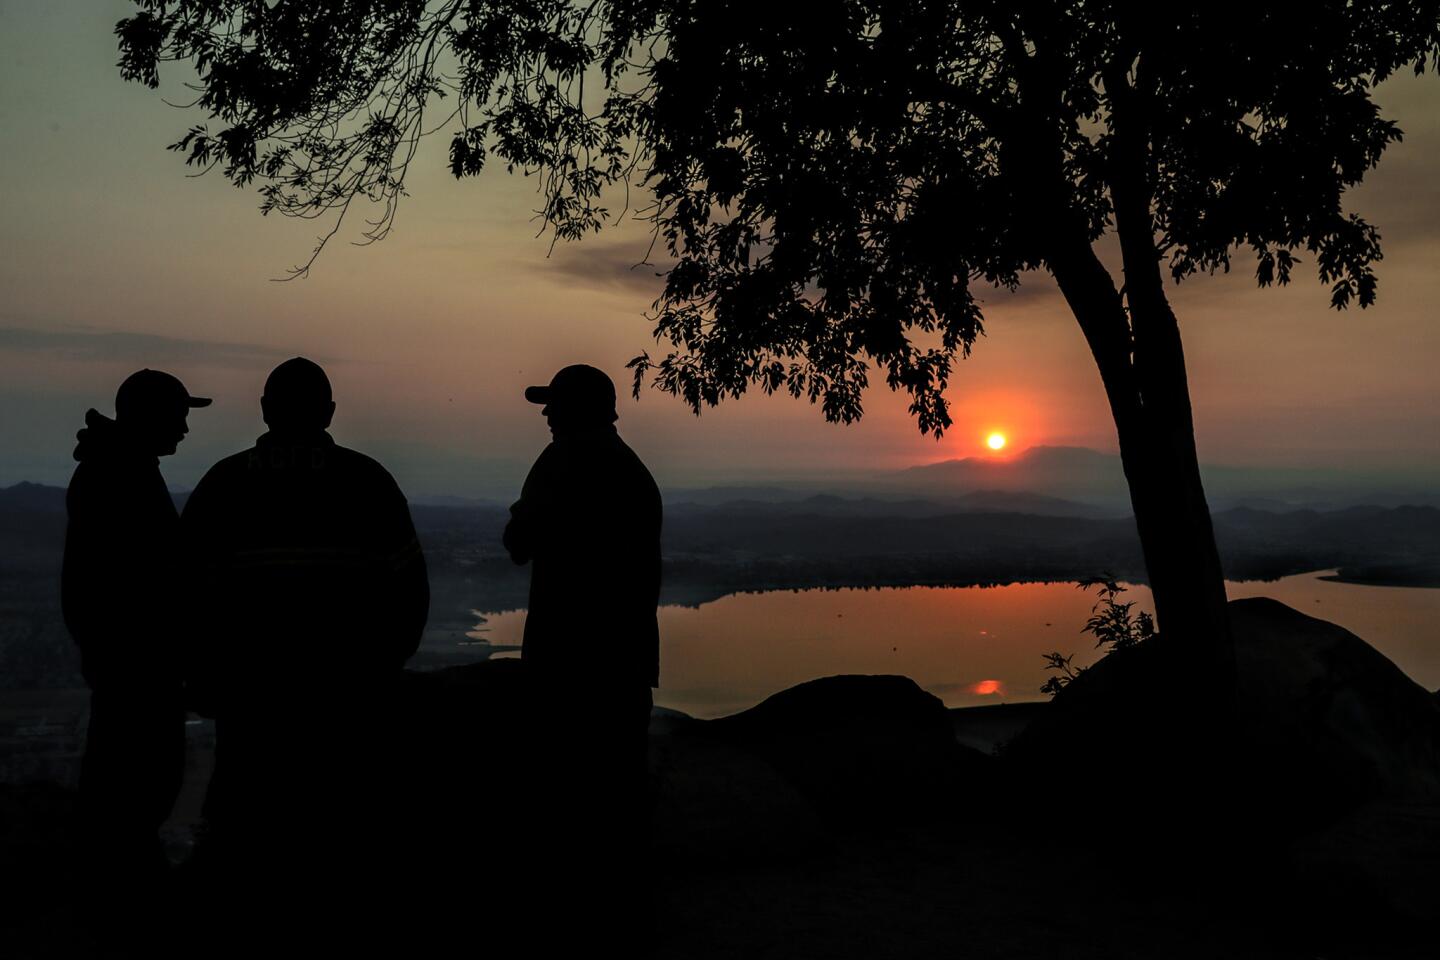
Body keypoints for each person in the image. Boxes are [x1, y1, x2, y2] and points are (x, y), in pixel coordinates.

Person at [180, 358, 427, 942]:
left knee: (249, 827)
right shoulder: (368, 482)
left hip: (252, 701)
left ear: (264, 411)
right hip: (347, 700)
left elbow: (186, 596)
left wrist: (206, 677)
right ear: (330, 414)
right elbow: (408, 594)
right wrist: (381, 672)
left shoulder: (224, 484)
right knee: (340, 829)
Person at [504, 363, 662, 948]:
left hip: (565, 665)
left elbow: (520, 544)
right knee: (618, 802)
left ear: (577, 410)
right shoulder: (632, 470)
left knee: (563, 801)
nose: (546, 415)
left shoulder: (563, 462)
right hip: (622, 663)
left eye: (553, 405)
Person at [62, 369, 211, 930]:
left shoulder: (122, 469)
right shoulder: (118, 476)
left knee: (134, 790)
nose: (187, 428)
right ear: (151, 418)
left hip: (133, 668)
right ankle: (123, 909)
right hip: (135, 671)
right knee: (132, 792)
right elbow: (140, 584)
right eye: (180, 416)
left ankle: (120, 900)